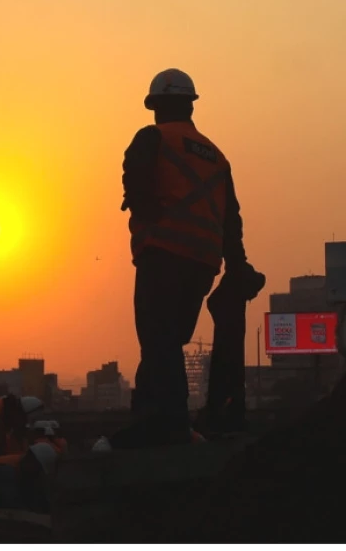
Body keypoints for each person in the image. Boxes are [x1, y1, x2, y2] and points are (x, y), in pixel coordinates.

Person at [117, 68, 253, 449]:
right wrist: (237, 266)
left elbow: (135, 179)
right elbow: (231, 219)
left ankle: (169, 426)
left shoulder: (153, 138)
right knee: (166, 343)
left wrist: (145, 212)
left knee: (157, 340)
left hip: (163, 254)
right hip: (202, 263)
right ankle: (152, 418)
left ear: (156, 106)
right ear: (190, 106)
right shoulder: (217, 157)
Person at [197, 263, 267, 436]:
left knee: (228, 376)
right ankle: (225, 417)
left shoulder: (233, 292)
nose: (251, 298)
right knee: (228, 376)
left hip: (230, 338)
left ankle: (224, 416)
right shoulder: (235, 281)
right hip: (229, 340)